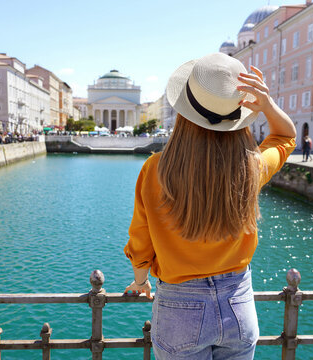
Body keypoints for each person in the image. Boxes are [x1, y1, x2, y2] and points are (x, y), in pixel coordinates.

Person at [122, 53, 296, 360]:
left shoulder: (156, 170)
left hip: (179, 307)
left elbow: (141, 240)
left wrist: (140, 281)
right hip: (238, 304)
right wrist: (267, 104)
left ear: (184, 113)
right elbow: (285, 136)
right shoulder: (250, 168)